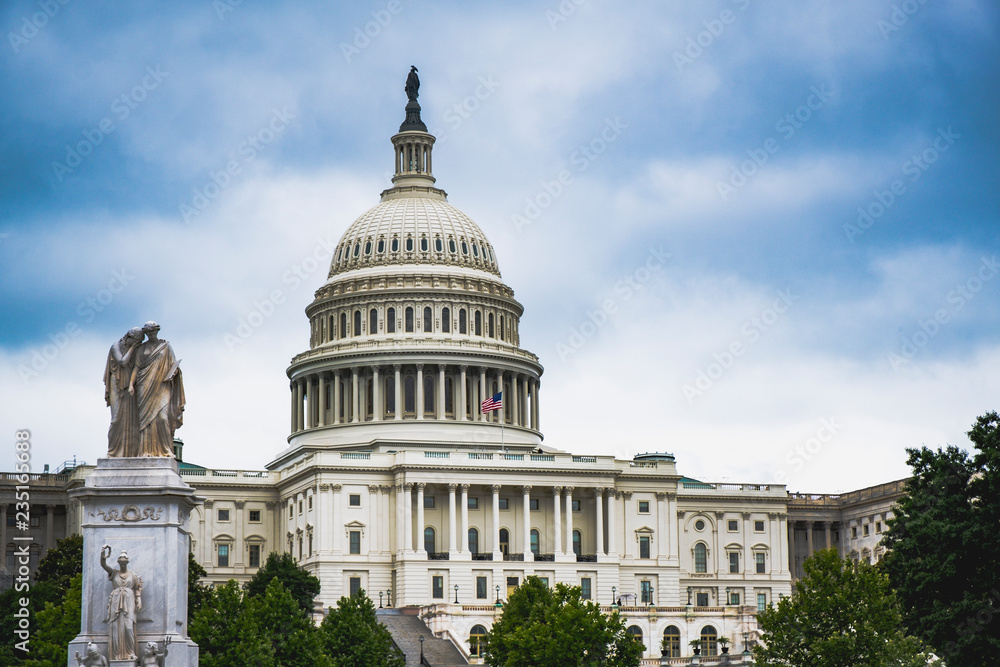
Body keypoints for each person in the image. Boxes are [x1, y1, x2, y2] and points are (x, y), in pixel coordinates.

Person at [130, 321, 184, 457]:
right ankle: (145, 451)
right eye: (149, 333)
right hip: (144, 384)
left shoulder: (166, 347)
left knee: (162, 418)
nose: (151, 334)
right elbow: (136, 367)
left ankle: (165, 450)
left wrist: (174, 373)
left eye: (153, 332)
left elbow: (174, 365)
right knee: (145, 422)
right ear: (146, 333)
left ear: (157, 331)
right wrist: (131, 384)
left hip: (162, 385)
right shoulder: (141, 349)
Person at [104, 327, 144, 457]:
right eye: (136, 341)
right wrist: (132, 348)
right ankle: (113, 451)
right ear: (129, 337)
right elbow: (122, 362)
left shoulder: (137, 350)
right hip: (117, 384)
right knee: (116, 419)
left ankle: (130, 452)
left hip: (130, 386)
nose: (137, 344)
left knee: (131, 421)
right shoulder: (116, 346)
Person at [100, 545, 143, 660]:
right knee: (115, 628)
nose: (122, 564)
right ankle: (116, 654)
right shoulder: (114, 573)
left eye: (124, 563)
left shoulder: (133, 576)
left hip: (129, 601)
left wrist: (138, 599)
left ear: (127, 563)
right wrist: (103, 556)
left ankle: (130, 652)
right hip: (116, 600)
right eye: (120, 563)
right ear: (118, 563)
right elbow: (103, 565)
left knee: (128, 627)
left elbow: (137, 588)